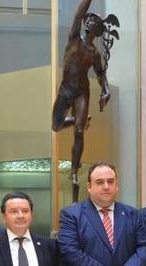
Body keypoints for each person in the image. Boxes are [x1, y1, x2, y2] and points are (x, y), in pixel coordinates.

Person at [52, 0, 119, 198]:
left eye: (93, 22)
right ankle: (78, 120)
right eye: (88, 20)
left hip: (82, 92)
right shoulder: (74, 39)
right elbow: (78, 14)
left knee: (79, 132)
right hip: (66, 91)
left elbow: (100, 74)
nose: (88, 23)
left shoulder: (94, 54)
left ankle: (73, 172)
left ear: (96, 29)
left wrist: (106, 90)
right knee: (55, 126)